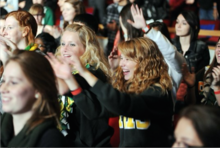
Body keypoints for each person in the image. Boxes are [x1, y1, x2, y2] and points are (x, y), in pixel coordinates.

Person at [47, 37, 174, 146]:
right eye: (122, 58)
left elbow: (124, 104)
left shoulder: (158, 93)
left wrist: (84, 73)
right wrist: (70, 80)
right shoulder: (129, 89)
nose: (122, 64)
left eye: (128, 59)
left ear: (145, 62)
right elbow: (95, 111)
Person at [47, 23, 113, 147]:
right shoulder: (63, 70)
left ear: (87, 48)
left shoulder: (94, 72)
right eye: (62, 43)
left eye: (72, 44)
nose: (65, 49)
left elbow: (63, 87)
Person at [0, 50, 65, 147]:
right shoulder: (3, 126)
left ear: (38, 89)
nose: (3, 89)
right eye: (3, 81)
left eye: (13, 82)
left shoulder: (50, 140)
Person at [173, 10, 210, 103]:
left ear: (194, 26)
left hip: (193, 91)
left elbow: (202, 76)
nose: (178, 26)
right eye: (177, 22)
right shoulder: (171, 45)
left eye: (184, 23)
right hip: (174, 91)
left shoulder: (201, 47)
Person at [182, 37, 220, 106]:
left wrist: (217, 88)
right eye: (219, 46)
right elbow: (191, 104)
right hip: (201, 115)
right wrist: (191, 87)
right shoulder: (205, 71)